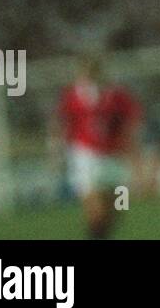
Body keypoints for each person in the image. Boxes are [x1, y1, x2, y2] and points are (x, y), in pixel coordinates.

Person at [58, 53, 142, 239]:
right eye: (85, 71)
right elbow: (64, 125)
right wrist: (58, 153)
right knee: (96, 210)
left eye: (93, 71)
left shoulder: (117, 95)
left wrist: (133, 155)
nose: (89, 76)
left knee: (120, 206)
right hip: (85, 155)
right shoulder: (72, 96)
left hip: (114, 156)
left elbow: (130, 124)